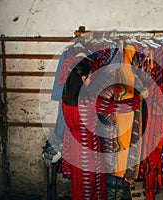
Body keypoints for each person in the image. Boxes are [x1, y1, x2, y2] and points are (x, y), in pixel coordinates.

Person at [60, 58, 148, 200]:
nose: (91, 80)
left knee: (79, 185)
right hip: (88, 149)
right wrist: (140, 97)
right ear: (83, 78)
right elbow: (120, 107)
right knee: (91, 187)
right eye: (90, 77)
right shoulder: (89, 102)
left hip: (74, 148)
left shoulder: (66, 99)